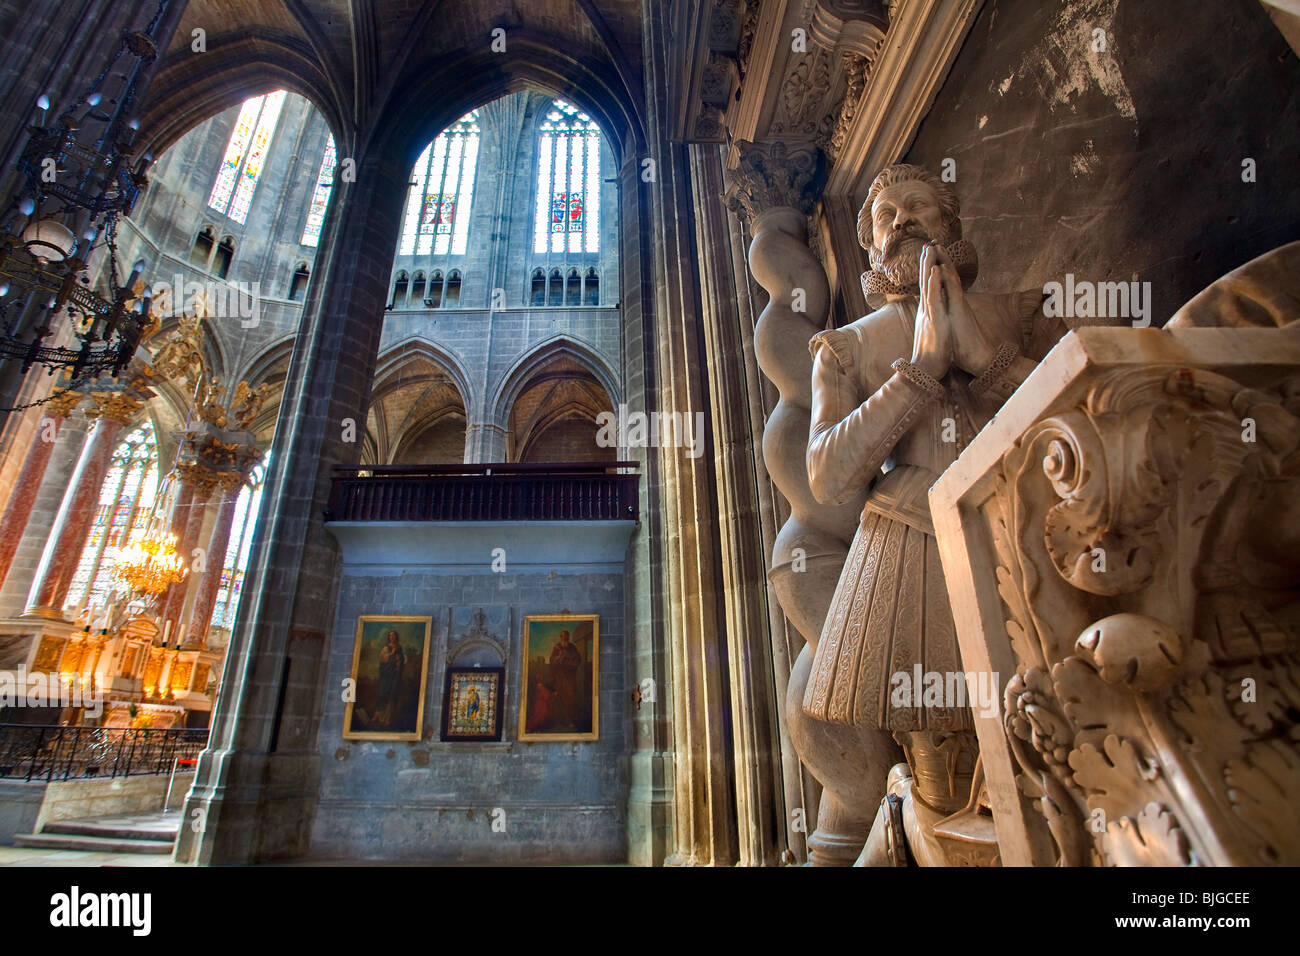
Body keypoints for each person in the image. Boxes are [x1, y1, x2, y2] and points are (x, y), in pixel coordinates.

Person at [805, 163, 1069, 822]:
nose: (901, 221)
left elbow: (1086, 418)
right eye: (885, 217)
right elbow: (828, 474)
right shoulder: (844, 348)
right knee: (948, 783)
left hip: (1035, 527)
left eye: (918, 205)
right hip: (911, 555)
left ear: (953, 222)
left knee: (1073, 736)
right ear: (870, 249)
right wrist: (920, 371)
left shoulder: (1025, 314)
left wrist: (987, 360)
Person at [548, 629, 582, 730]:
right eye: (563, 636)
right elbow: (552, 661)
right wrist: (559, 657)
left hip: (570, 678)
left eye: (566, 636)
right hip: (559, 678)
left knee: (571, 698)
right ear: (561, 637)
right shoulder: (556, 648)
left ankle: (570, 720)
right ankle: (559, 720)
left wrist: (567, 659)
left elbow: (577, 661)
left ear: (568, 637)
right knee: (559, 698)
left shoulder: (572, 648)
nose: (564, 638)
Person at [375, 629, 405, 728]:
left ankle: (388, 718)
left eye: (393, 635)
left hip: (395, 674)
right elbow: (381, 658)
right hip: (386, 674)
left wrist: (399, 661)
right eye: (390, 635)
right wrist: (391, 654)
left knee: (392, 694)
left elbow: (401, 659)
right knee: (383, 693)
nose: (392, 637)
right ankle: (379, 716)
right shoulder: (386, 648)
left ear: (396, 637)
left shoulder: (399, 647)